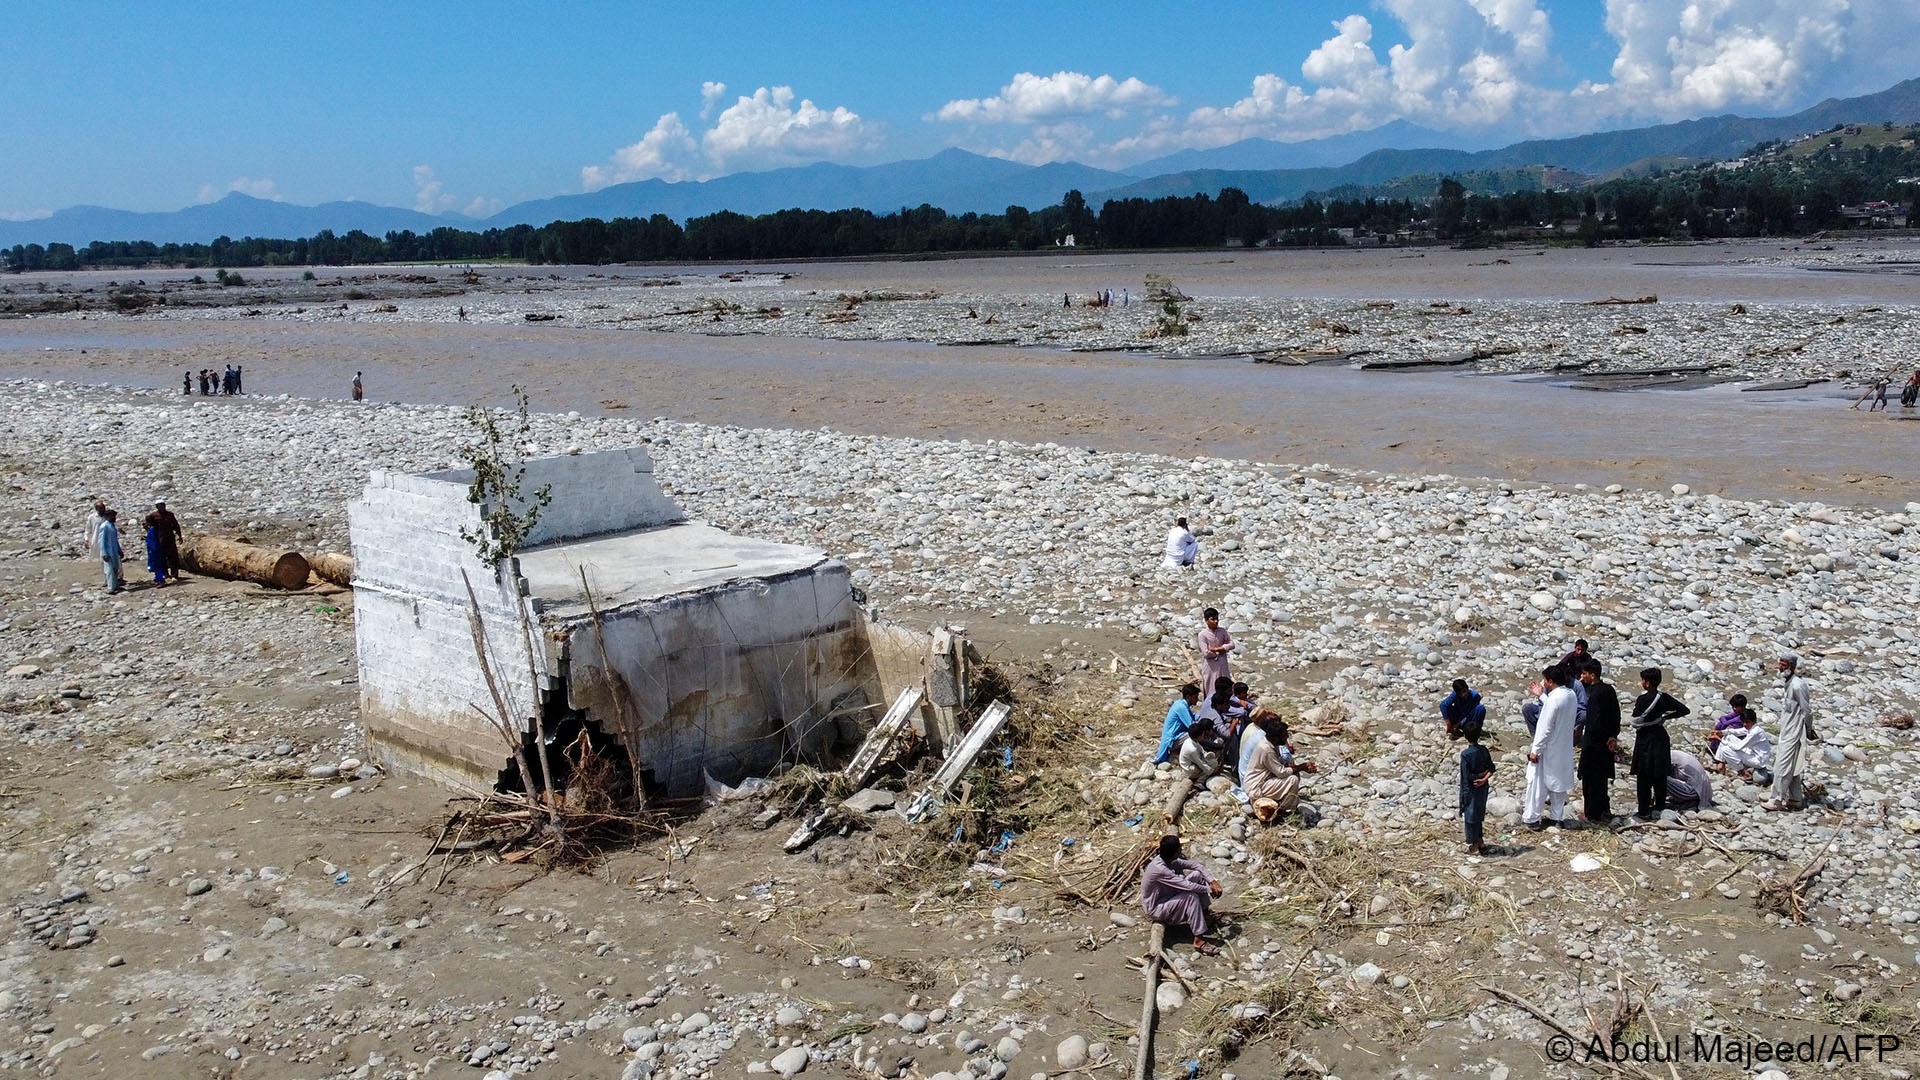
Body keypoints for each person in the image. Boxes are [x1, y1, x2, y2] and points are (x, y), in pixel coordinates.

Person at [1139, 834, 1223, 955]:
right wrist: (1209, 889)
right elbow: (1187, 886)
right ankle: (1199, 941)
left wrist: (1212, 881)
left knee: (1197, 875)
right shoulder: (1160, 869)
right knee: (1191, 897)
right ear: (1176, 851)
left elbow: (1196, 866)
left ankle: (1204, 916)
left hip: (1169, 897)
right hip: (1157, 908)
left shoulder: (1167, 860)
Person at [1629, 668, 1689, 820]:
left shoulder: (1642, 700)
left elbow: (1636, 719)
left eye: (1643, 680)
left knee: (1643, 776)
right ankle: (1660, 806)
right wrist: (1664, 718)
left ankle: (1643, 809)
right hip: (1660, 738)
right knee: (1660, 773)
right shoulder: (1664, 698)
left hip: (1645, 740)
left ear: (1647, 683)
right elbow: (1684, 710)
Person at [1523, 664, 1577, 831]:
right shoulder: (1571, 695)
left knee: (1538, 784)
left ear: (1551, 681)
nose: (1544, 683)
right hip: (1564, 747)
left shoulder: (1554, 699)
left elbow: (1545, 727)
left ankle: (1532, 818)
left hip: (1549, 748)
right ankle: (1556, 817)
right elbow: (1556, 708)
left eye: (1545, 680)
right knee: (1558, 785)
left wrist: (1535, 750)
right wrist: (1542, 696)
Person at [1763, 653, 1817, 812]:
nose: (1781, 668)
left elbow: (1806, 710)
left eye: (1784, 666)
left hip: (1794, 731)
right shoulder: (1789, 683)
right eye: (1780, 664)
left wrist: (1808, 730)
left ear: (1792, 667)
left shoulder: (1797, 685)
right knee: (1791, 765)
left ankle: (1776, 800)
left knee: (1781, 766)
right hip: (1787, 729)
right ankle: (1795, 798)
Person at [1241, 716, 1312, 822]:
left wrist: (1297, 767)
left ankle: (1282, 803)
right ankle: (1284, 809)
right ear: (1275, 737)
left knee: (1294, 773)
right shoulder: (1266, 749)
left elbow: (1280, 766)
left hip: (1263, 781)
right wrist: (1302, 767)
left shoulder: (1271, 745)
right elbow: (1281, 772)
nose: (1286, 738)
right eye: (1284, 736)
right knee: (1293, 780)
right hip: (1256, 787)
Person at [1576, 660, 1621, 824]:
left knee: (1590, 780)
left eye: (1584, 674)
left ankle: (1592, 814)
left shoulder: (1594, 695)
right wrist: (1612, 736)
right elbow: (1616, 715)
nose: (1582, 678)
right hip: (1606, 743)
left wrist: (1585, 742)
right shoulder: (1609, 690)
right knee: (1601, 780)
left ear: (1592, 675)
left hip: (1594, 744)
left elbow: (1593, 722)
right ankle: (1604, 809)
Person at [1459, 718, 1494, 855]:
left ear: (1465, 736)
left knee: (1470, 815)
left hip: (1470, 788)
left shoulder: (1466, 755)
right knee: (1479, 814)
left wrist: (1478, 779)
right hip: (1482, 787)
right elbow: (1491, 768)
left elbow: (1466, 775)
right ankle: (1481, 841)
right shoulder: (1484, 750)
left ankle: (1474, 844)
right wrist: (1484, 779)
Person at [1714, 707, 1774, 780]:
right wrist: (1722, 732)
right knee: (1728, 736)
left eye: (1747, 722)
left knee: (1725, 749)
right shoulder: (1753, 727)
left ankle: (1742, 772)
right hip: (1752, 752)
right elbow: (1738, 731)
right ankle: (1721, 765)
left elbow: (1738, 747)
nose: (1744, 724)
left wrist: (1719, 739)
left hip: (1759, 760)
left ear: (1753, 721)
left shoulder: (1755, 732)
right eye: (1743, 722)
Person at [1156, 684, 1201, 765]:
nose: (1197, 699)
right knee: (1196, 733)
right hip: (1172, 740)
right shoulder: (1181, 707)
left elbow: (1194, 716)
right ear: (1188, 697)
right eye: (1195, 697)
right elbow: (1191, 727)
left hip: (1177, 736)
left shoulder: (1182, 704)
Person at [1175, 716, 1223, 783]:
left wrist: (1208, 755)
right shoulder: (1192, 749)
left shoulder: (1192, 740)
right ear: (1199, 736)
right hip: (1189, 768)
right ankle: (1200, 781)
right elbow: (1201, 763)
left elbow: (1201, 750)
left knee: (1214, 762)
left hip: (1194, 761)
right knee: (1209, 767)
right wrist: (1212, 770)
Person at [1196, 608, 1234, 690]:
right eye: (1213, 619)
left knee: (1225, 684)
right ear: (1206, 620)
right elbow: (1206, 653)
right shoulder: (1203, 634)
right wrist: (1220, 652)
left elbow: (1231, 644)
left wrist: (1217, 649)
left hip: (1222, 663)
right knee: (1210, 685)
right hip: (1210, 665)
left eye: (1217, 619)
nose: (1216, 621)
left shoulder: (1222, 631)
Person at [152, 500, 183, 580]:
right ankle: (165, 574)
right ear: (157, 507)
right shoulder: (154, 515)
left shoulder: (170, 515)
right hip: (160, 540)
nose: (162, 507)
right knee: (162, 558)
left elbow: (176, 525)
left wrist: (179, 535)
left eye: (163, 505)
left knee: (173, 557)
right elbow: (147, 522)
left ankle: (174, 575)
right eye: (160, 506)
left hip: (170, 539)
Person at [97, 509, 124, 594]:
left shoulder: (112, 526)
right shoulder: (104, 526)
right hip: (108, 552)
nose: (114, 517)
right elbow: (102, 541)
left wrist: (119, 550)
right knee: (109, 570)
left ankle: (115, 586)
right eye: (112, 516)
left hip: (114, 551)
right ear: (107, 516)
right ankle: (110, 587)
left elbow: (115, 540)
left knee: (116, 568)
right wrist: (104, 553)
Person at [142, 511, 167, 587]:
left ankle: (161, 580)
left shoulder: (153, 530)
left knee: (157, 566)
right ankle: (157, 578)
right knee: (156, 565)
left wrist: (147, 540)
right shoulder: (154, 529)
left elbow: (152, 540)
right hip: (154, 550)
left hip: (154, 550)